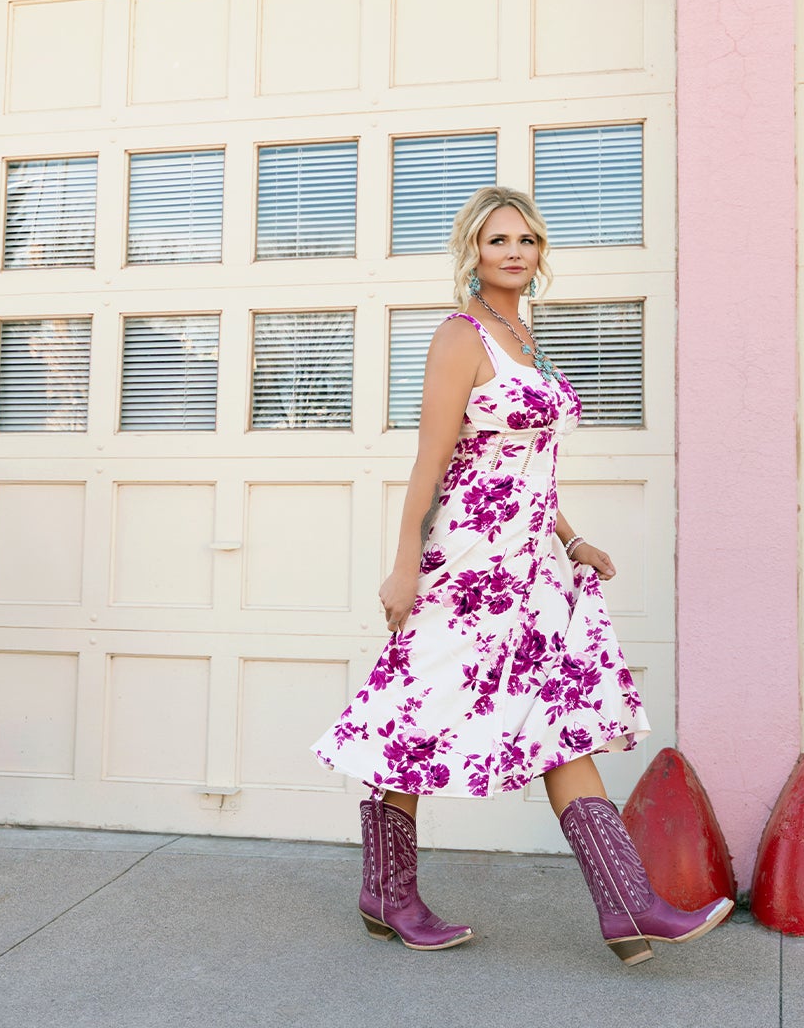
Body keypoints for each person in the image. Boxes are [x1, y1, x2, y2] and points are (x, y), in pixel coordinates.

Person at [310, 186, 733, 965]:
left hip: (530, 568)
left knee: (559, 718)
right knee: (412, 721)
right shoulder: (460, 336)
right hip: (465, 567)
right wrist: (405, 565)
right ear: (473, 250)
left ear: (539, 256)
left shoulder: (524, 336)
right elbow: (431, 463)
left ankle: (628, 907)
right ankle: (389, 893)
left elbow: (527, 466)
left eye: (527, 241)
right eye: (499, 239)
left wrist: (572, 538)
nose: (515, 252)